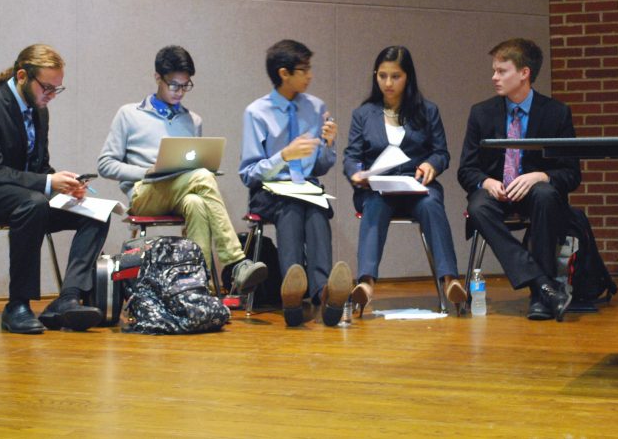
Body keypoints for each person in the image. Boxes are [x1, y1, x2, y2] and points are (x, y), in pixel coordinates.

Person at [0, 44, 108, 334]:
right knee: (33, 203)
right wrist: (48, 183)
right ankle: (17, 306)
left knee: (96, 213)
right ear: (22, 76)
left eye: (56, 89)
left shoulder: (39, 109)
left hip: (22, 196)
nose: (51, 96)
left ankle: (67, 298)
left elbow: (38, 166)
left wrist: (66, 184)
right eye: (47, 87)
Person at [97, 45, 267, 295]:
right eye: (174, 85)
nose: (180, 92)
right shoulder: (129, 114)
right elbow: (105, 164)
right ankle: (236, 261)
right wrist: (148, 171)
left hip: (182, 191)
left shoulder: (192, 120)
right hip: (145, 195)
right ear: (158, 78)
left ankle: (197, 286)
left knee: (197, 202)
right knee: (200, 177)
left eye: (186, 85)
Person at [457, 38, 580, 321]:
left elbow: (572, 173)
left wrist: (540, 176)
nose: (494, 77)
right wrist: (486, 182)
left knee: (546, 194)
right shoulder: (481, 112)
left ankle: (539, 294)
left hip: (537, 198)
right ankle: (544, 286)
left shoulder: (556, 113)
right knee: (478, 207)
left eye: (502, 71)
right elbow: (467, 170)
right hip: (496, 193)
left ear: (524, 73)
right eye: (494, 70)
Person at [343, 46, 466, 315]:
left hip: (417, 187)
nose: (388, 83)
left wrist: (431, 164)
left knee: (432, 205)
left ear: (408, 77)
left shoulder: (427, 111)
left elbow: (441, 153)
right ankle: (366, 284)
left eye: (395, 76)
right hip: (379, 189)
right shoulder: (363, 114)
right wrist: (356, 174)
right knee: (373, 207)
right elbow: (351, 156)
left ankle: (450, 281)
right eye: (382, 76)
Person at [239, 39, 352, 327]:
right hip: (268, 190)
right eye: (303, 70)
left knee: (316, 209)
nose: (310, 75)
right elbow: (248, 173)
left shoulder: (316, 107)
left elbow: (322, 167)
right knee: (292, 207)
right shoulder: (257, 112)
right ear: (283, 73)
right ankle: (293, 291)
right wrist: (283, 156)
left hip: (306, 187)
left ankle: (323, 293)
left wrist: (328, 144)